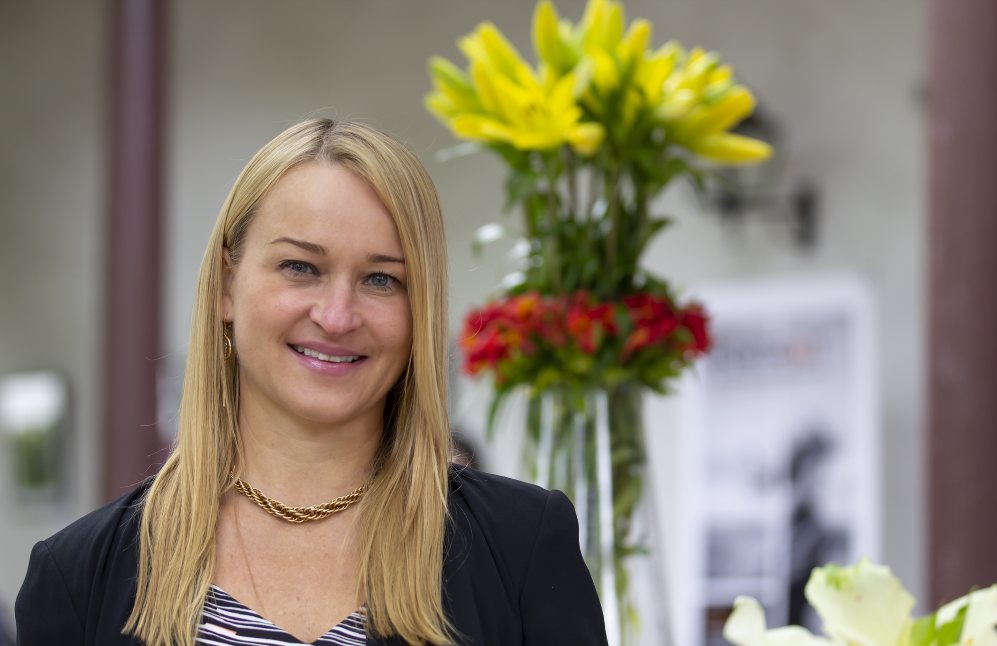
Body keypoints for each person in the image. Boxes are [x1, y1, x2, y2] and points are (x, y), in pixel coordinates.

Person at [15, 119, 607, 645]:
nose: (337, 316)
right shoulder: (77, 575)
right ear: (226, 285)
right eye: (300, 267)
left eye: (381, 279)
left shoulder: (521, 544)